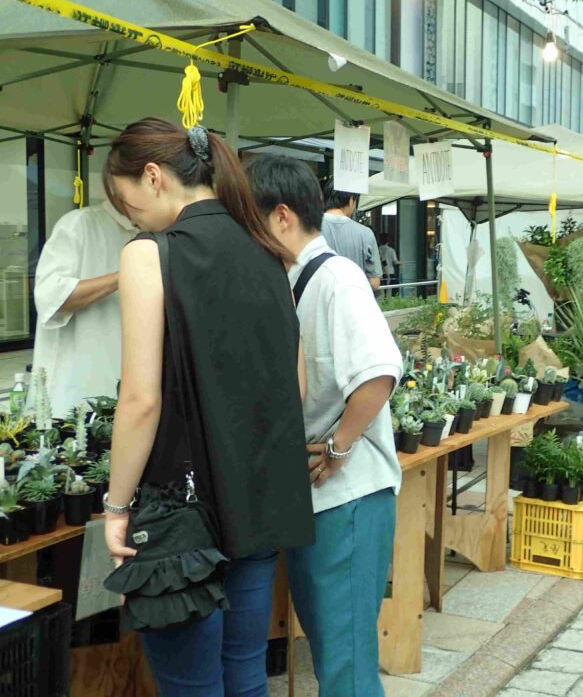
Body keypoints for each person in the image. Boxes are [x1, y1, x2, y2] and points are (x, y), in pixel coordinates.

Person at [102, 119, 315, 697]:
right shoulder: (268, 250)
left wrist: (116, 506)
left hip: (180, 514)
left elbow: (141, 400)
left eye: (126, 202)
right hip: (257, 501)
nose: (131, 218)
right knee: (245, 674)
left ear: (153, 177)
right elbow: (293, 387)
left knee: (190, 687)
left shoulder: (150, 255)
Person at [246, 155, 401, 697]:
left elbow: (379, 371)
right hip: (322, 499)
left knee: (345, 665)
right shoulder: (297, 279)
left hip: (348, 497)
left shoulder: (338, 278)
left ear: (282, 216)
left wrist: (338, 447)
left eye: (250, 220)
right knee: (333, 653)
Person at [32, 193, 138, 416]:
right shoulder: (79, 224)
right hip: (77, 386)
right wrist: (122, 276)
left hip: (133, 387)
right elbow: (50, 296)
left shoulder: (160, 230)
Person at [321, 182, 382, 291]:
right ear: (351, 200)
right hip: (354, 298)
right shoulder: (365, 233)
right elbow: (374, 282)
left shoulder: (308, 228)